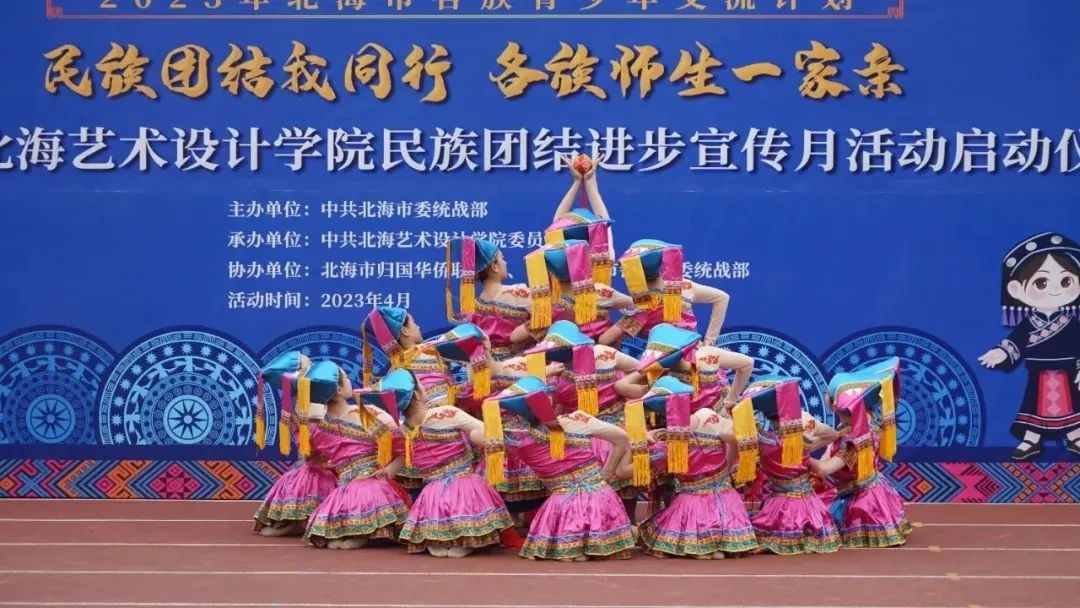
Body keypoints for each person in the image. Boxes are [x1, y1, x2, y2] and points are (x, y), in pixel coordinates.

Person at [482, 376, 636, 561]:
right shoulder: (579, 419)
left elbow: (488, 425)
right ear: (548, 399)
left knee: (567, 553)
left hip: (561, 505)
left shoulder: (517, 438)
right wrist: (607, 473)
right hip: (599, 498)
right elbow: (621, 438)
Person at [617, 376, 758, 559]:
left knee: (650, 532)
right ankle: (719, 543)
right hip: (728, 501)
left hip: (693, 506)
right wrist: (727, 468)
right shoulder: (707, 416)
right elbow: (739, 439)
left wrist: (634, 440)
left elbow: (622, 471)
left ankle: (704, 547)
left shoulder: (665, 446)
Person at [978, 233, 1080, 459]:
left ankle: (1076, 437)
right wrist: (1002, 352)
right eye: (1041, 283)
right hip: (1039, 374)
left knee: (1073, 406)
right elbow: (1016, 342)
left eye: (1066, 281)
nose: (1055, 290)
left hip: (1068, 373)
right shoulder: (1028, 324)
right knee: (1035, 406)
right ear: (1016, 289)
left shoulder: (1071, 323)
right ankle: (1031, 440)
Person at [395, 368, 515, 557]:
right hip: (464, 487)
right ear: (417, 394)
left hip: (431, 494)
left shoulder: (402, 431)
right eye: (421, 384)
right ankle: (468, 540)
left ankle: (440, 540)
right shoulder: (447, 413)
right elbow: (485, 431)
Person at [303, 362, 411, 549]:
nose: (349, 382)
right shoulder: (366, 414)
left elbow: (311, 460)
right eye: (346, 378)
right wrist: (391, 468)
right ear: (338, 390)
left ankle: (351, 533)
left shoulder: (319, 429)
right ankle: (363, 533)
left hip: (343, 489)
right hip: (373, 485)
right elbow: (402, 444)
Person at [812, 369, 912, 548]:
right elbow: (827, 454)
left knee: (815, 521)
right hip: (874, 488)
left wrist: (800, 456)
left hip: (863, 501)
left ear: (835, 404)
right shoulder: (866, 420)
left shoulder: (853, 441)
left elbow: (824, 469)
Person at [743, 378, 841, 555]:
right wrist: (806, 450)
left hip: (777, 507)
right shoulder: (805, 421)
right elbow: (833, 435)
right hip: (808, 505)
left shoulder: (758, 436)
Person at [252, 351, 336, 537]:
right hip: (315, 463)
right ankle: (299, 521)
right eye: (308, 366)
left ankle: (295, 522)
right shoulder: (309, 403)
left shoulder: (300, 401)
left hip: (310, 462)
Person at [601, 239, 730, 348]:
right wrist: (709, 342)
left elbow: (605, 340)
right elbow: (722, 298)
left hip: (663, 364)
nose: (624, 276)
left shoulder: (643, 304)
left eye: (627, 270)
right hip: (696, 356)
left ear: (638, 273)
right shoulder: (683, 285)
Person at [617, 323, 754, 413]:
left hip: (717, 427)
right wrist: (648, 368)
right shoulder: (661, 382)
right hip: (694, 434)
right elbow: (621, 387)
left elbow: (747, 364)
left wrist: (731, 400)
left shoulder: (705, 356)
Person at [524, 239, 636, 342]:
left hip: (565, 356)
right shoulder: (601, 292)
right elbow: (638, 305)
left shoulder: (551, 309)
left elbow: (516, 336)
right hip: (599, 353)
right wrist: (622, 326)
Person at [446, 236, 536, 361]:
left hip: (490, 367)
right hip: (523, 366)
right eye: (502, 258)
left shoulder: (473, 307)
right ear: (495, 266)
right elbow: (546, 317)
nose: (505, 263)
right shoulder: (520, 293)